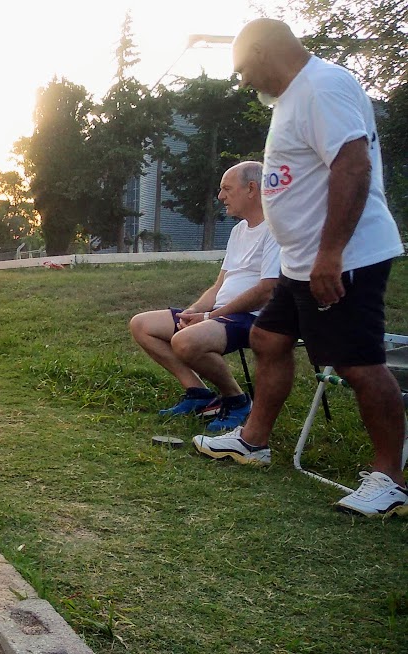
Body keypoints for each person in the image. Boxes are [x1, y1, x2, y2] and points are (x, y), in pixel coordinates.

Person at [193, 19, 406, 517]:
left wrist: (330, 253)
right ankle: (253, 441)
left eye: (244, 68)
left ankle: (390, 480)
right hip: (299, 262)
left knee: (358, 363)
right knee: (269, 338)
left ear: (266, 51)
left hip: (342, 258)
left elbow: (353, 166)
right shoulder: (296, 95)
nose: (244, 80)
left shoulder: (322, 87)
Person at [130, 162, 279, 433]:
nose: (221, 197)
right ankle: (199, 394)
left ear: (251, 189)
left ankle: (236, 400)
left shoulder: (276, 230)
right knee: (142, 325)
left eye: (226, 189)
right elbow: (219, 284)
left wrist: (210, 317)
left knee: (184, 341)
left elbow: (266, 291)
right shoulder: (238, 231)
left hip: (254, 318)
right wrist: (194, 311)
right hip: (220, 315)